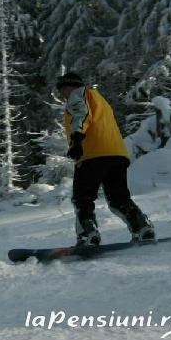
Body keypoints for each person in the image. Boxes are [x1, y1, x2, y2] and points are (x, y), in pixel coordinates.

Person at [56, 72, 155, 247]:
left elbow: (81, 114)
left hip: (93, 154)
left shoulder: (78, 94)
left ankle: (88, 235)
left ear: (70, 86)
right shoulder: (99, 99)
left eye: (63, 90)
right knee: (119, 199)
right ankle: (142, 228)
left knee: (83, 199)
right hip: (116, 154)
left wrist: (77, 138)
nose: (63, 95)